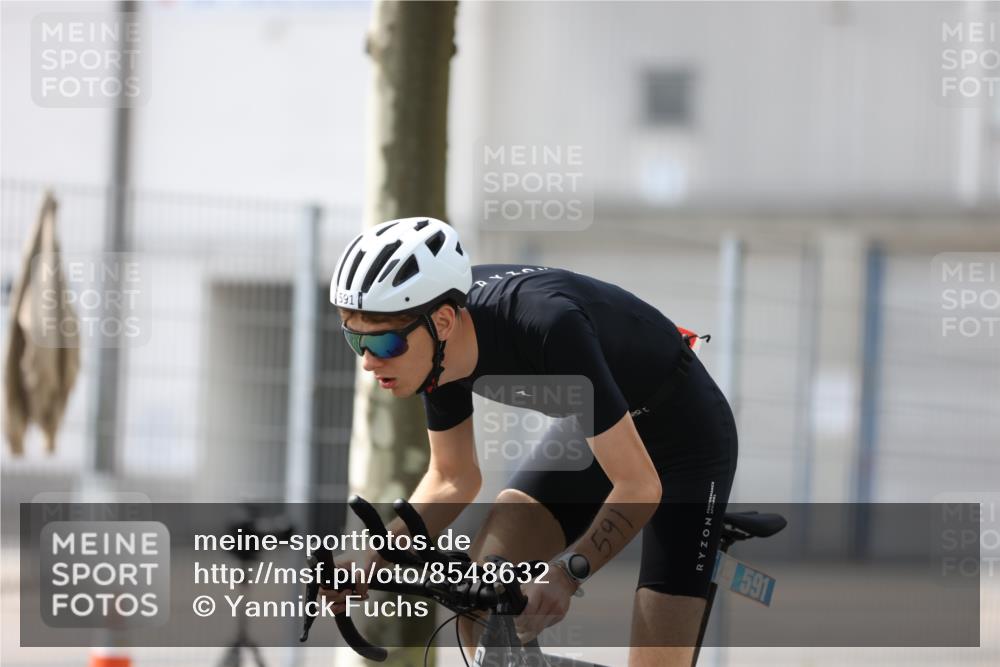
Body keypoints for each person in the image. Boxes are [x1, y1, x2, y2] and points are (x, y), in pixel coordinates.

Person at [325, 217, 738, 667]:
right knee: (481, 597)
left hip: (685, 440)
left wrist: (566, 573)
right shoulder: (434, 357)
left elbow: (639, 486)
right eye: (355, 339)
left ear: (443, 321)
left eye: (383, 344)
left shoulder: (546, 325)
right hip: (598, 428)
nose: (368, 362)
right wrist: (376, 552)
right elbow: (453, 477)